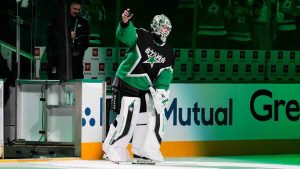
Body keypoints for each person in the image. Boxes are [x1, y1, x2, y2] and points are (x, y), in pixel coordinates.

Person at [102, 9, 175, 164]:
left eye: (168, 29)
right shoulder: (142, 35)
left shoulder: (169, 52)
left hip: (144, 89)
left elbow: (165, 75)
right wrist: (125, 22)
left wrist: (162, 92)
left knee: (145, 120)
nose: (166, 31)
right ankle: (112, 148)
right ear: (156, 26)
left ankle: (141, 152)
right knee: (126, 116)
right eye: (163, 27)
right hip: (125, 81)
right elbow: (124, 35)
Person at [47, 0, 90, 80]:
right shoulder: (57, 20)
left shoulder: (83, 22)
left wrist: (78, 51)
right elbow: (50, 37)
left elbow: (86, 40)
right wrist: (66, 36)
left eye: (78, 9)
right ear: (68, 8)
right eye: (74, 9)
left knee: (77, 83)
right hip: (58, 59)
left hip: (76, 61)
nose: (76, 11)